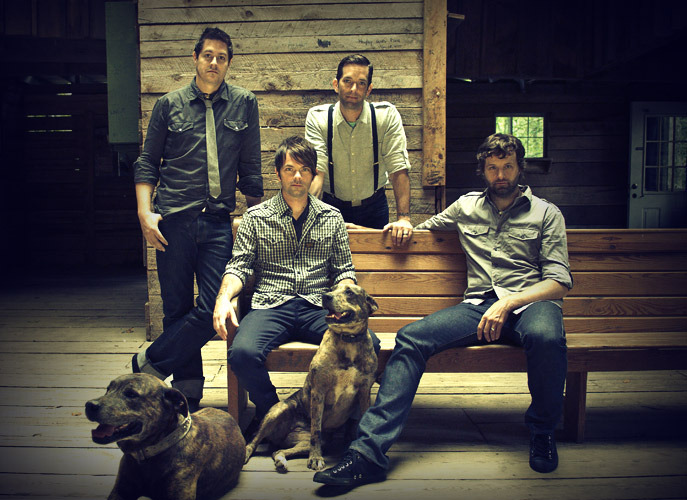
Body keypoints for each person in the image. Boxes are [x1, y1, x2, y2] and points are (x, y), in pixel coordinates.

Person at [314, 133, 573, 487]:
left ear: (519, 168)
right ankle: (367, 454)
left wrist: (509, 302)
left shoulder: (546, 213)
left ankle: (542, 432)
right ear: (482, 170)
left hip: (531, 304)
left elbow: (559, 281)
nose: (500, 175)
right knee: (411, 338)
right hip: (478, 307)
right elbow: (418, 232)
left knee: (547, 337)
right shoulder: (466, 206)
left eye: (508, 166)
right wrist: (386, 228)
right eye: (493, 167)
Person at [132, 27, 263, 413]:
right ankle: (187, 395)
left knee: (212, 308)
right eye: (208, 55)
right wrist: (144, 213)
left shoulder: (244, 103)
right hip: (172, 221)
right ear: (195, 58)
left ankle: (149, 364)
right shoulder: (168, 105)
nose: (214, 63)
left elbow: (251, 167)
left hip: (218, 222)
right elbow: (147, 162)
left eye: (221, 57)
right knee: (175, 309)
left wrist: (254, 216)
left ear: (229, 62)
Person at [213, 136, 381, 435]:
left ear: (314, 174)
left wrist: (346, 298)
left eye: (304, 170)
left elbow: (343, 270)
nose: (297, 176)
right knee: (242, 354)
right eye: (290, 169)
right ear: (278, 174)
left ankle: (346, 419)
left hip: (318, 307)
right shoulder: (256, 217)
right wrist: (223, 298)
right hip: (271, 306)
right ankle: (275, 414)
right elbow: (239, 266)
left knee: (372, 344)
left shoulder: (331, 217)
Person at [305, 53, 413, 245]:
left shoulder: (385, 116)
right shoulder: (318, 118)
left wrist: (404, 218)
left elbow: (398, 169)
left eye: (361, 83)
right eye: (347, 81)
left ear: (369, 89)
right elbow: (318, 174)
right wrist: (305, 218)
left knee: (377, 261)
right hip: (331, 205)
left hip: (374, 206)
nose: (353, 89)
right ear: (336, 84)